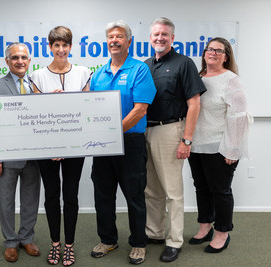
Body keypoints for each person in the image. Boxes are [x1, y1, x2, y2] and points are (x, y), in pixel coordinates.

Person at [89, 20, 156, 265]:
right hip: (102, 145)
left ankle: (138, 243)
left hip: (131, 143)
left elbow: (140, 110)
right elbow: (90, 108)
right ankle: (108, 240)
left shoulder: (139, 70)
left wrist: (111, 131)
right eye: (110, 37)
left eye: (119, 37)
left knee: (135, 195)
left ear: (129, 42)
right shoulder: (98, 73)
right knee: (103, 194)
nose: (114, 41)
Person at [144, 17, 207, 262]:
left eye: (164, 34)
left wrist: (186, 140)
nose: (159, 38)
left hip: (170, 131)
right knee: (152, 189)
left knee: (172, 191)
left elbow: (195, 104)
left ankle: (174, 240)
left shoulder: (184, 63)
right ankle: (155, 232)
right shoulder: (146, 64)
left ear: (172, 38)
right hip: (145, 131)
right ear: (150, 38)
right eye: (155, 34)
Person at [30, 26, 92, 266]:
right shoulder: (37, 76)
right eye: (56, 45)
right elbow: (35, 116)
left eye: (65, 45)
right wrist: (49, 101)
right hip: (46, 149)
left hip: (75, 147)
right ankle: (55, 245)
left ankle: (69, 246)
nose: (61, 49)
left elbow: (86, 108)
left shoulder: (83, 72)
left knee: (71, 196)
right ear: (50, 47)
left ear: (70, 46)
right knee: (52, 195)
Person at [187, 37, 251, 253]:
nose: (212, 53)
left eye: (218, 50)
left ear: (226, 56)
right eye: (209, 49)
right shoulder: (198, 77)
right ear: (204, 53)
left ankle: (222, 232)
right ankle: (205, 226)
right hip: (196, 145)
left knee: (220, 191)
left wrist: (233, 149)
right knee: (201, 188)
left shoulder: (231, 80)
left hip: (220, 147)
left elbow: (239, 116)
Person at [0, 43, 41, 263]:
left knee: (31, 200)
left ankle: (26, 238)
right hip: (6, 158)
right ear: (7, 61)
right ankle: (10, 242)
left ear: (29, 60)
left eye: (24, 57)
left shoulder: (37, 85)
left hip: (34, 157)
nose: (20, 61)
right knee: (6, 201)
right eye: (15, 57)